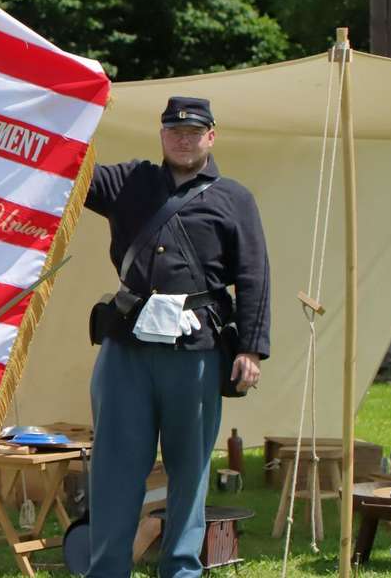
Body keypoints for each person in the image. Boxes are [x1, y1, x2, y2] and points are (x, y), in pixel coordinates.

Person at [83, 96, 270, 578]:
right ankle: (106, 570)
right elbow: (70, 166)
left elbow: (253, 276)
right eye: (174, 132)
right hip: (127, 347)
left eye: (194, 132)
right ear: (162, 135)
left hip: (197, 352)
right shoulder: (128, 181)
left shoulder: (235, 199)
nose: (183, 140)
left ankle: (181, 570)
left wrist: (250, 348)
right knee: (114, 469)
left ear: (212, 135)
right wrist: (70, 101)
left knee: (190, 470)